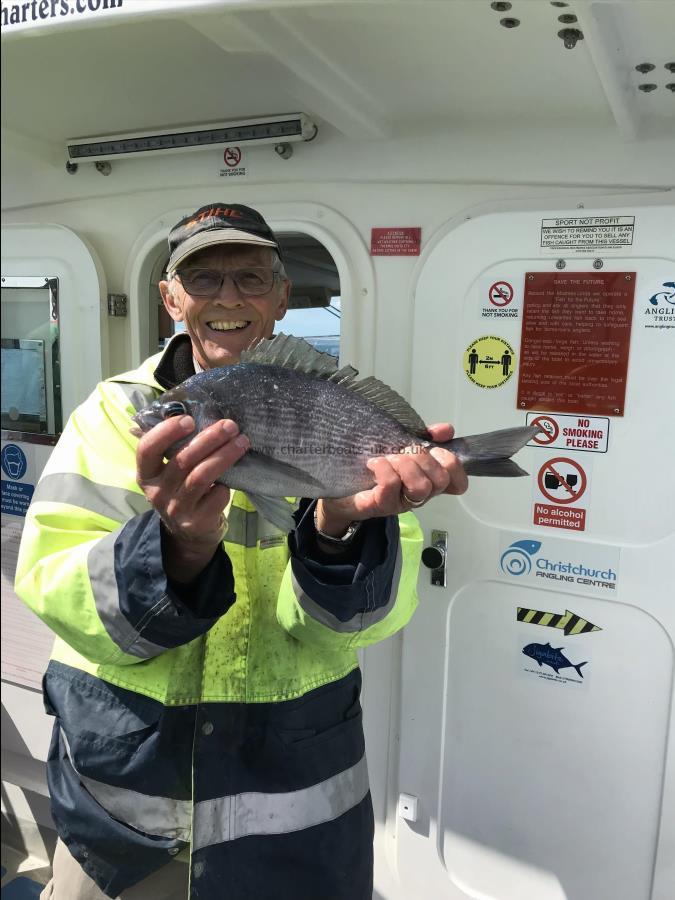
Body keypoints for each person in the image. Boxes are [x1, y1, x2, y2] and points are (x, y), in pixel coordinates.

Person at [16, 202, 468, 900]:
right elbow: (56, 591)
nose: (227, 297)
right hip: (128, 817)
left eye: (250, 278)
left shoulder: (329, 408)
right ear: (170, 298)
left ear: (282, 297)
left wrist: (338, 525)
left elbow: (366, 621)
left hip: (296, 806)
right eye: (203, 279)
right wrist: (176, 547)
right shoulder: (112, 414)